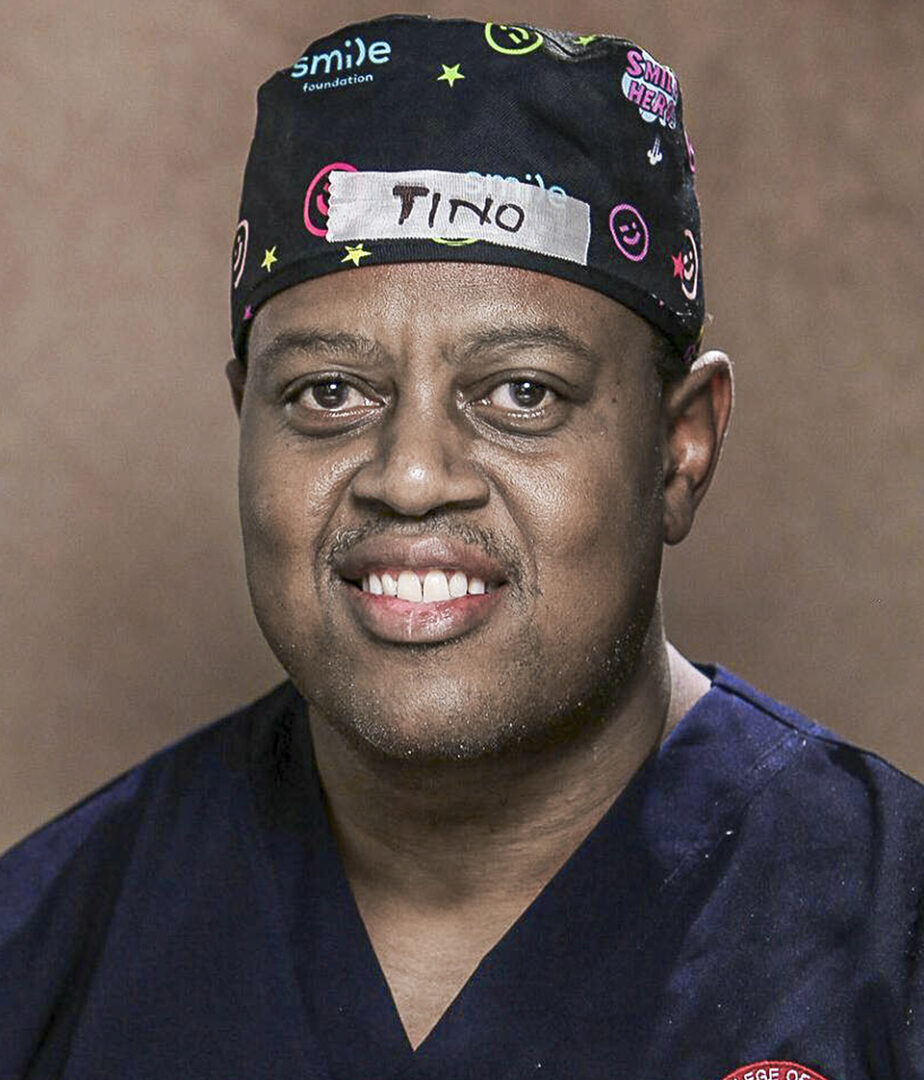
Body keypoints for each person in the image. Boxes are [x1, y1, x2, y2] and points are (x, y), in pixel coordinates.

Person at [1, 15, 921, 1079]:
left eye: (522, 392)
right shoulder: (49, 955)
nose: (412, 474)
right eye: (329, 393)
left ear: (680, 448)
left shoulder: (888, 941)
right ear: (243, 417)